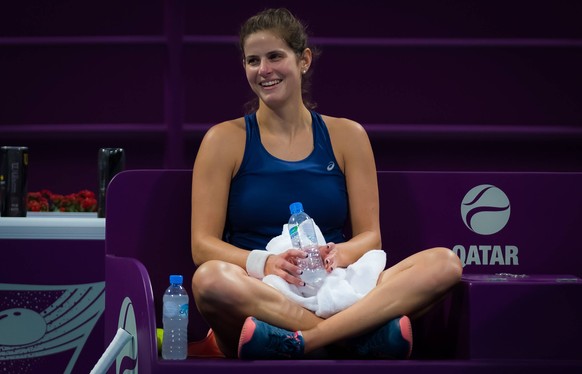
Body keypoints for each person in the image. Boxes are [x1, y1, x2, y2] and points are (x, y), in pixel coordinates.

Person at [190, 7, 463, 359]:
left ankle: (301, 343)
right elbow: (203, 246)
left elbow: (370, 237)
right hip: (261, 294)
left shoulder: (348, 135)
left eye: (275, 56)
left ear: (303, 60)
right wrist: (266, 263)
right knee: (209, 280)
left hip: (337, 286)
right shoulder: (222, 140)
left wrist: (338, 253)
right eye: (252, 60)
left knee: (444, 263)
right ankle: (356, 338)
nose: (264, 70)